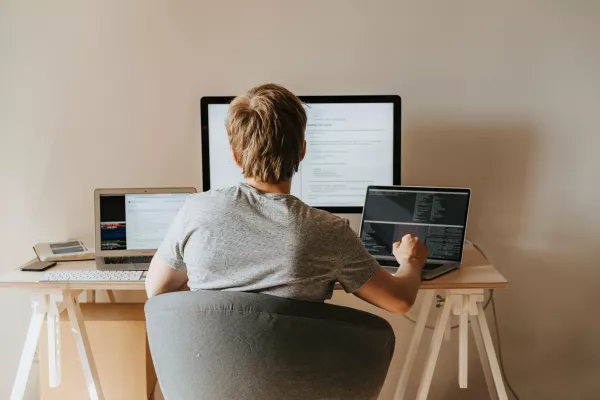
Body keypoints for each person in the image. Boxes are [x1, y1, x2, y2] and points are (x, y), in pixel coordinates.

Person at [145, 83, 428, 314]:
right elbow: (399, 301)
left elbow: (157, 289)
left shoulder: (196, 211)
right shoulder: (328, 231)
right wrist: (410, 262)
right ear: (302, 151)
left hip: (207, 380)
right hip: (296, 380)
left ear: (235, 155)